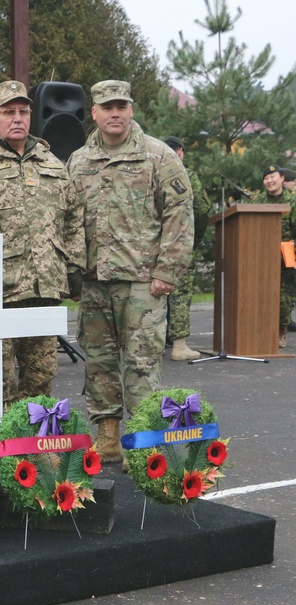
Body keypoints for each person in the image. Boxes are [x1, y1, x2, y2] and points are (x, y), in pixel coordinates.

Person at [66, 80, 193, 466]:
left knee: (141, 364)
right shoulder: (79, 160)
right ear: (95, 113)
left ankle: (144, 441)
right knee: (99, 363)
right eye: (107, 107)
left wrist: (167, 271)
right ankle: (107, 437)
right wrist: (72, 274)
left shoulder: (158, 156)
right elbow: (70, 220)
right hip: (94, 282)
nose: (115, 113)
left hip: (143, 282)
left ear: (131, 109)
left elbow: (180, 214)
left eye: (121, 105)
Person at [0, 80, 85, 409]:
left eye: (24, 111)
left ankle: (37, 448)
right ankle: (5, 450)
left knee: (41, 375)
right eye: (9, 111)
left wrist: (73, 270)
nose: (18, 118)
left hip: (44, 289)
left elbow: (72, 218)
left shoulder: (53, 163)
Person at [162, 136, 211, 361]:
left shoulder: (153, 172)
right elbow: (201, 209)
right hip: (181, 242)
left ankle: (152, 342)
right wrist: (195, 237)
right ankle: (179, 345)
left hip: (153, 243)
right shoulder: (187, 175)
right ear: (181, 152)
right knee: (179, 292)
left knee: (152, 292)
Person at [250, 164, 296, 348]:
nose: (269, 181)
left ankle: (281, 330)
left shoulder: (292, 201)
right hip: (262, 254)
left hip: (287, 252)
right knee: (261, 293)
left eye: (273, 177)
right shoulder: (258, 201)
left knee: (283, 295)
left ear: (282, 178)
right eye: (266, 178)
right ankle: (260, 330)